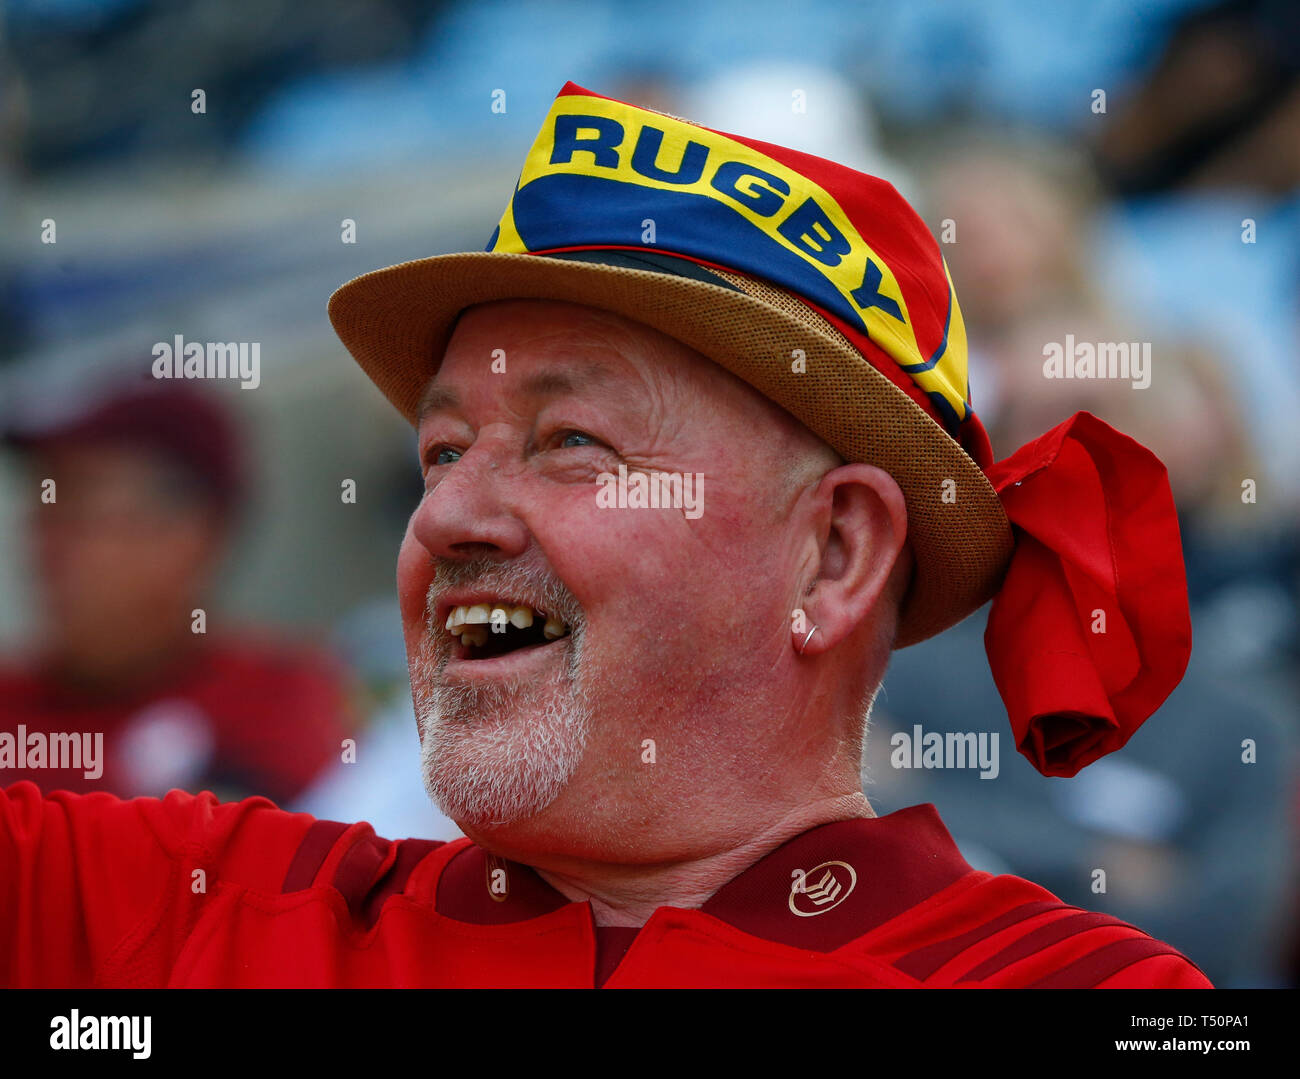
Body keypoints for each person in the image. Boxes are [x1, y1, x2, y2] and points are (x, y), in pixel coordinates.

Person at [1, 82, 1210, 988]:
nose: (449, 516)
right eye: (441, 449)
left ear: (834, 552)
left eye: (570, 439)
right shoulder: (186, 905)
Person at [0, 376, 353, 805]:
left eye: (80, 511)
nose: (45, 548)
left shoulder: (287, 705)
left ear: (193, 536)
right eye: (40, 510)